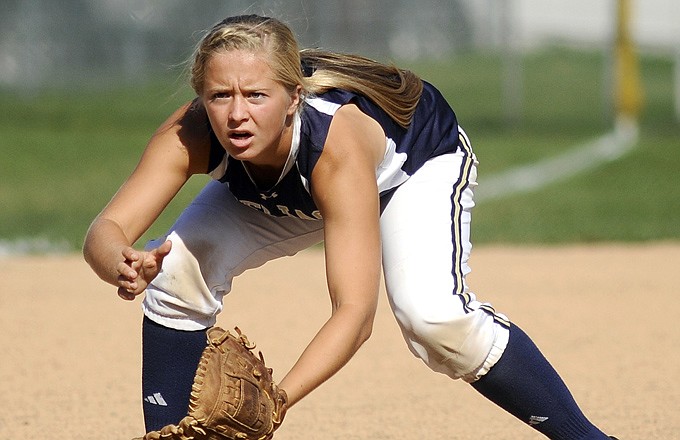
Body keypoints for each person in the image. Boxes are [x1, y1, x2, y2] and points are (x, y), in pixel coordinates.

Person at [83, 14, 617, 440]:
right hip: (288, 185)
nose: (236, 113)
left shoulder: (334, 146)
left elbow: (355, 314)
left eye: (256, 94)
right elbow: (106, 230)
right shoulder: (191, 131)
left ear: (293, 98)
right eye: (221, 95)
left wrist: (276, 402)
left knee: (434, 320)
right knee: (173, 270)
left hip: (409, 166)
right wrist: (122, 264)